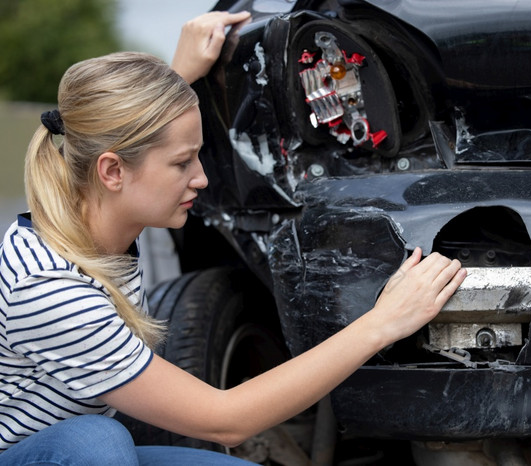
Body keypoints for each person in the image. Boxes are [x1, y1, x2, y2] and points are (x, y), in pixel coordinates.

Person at [0, 10, 467, 466]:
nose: (201, 179)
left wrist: (177, 74)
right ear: (112, 171)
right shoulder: (47, 288)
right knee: (95, 443)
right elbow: (226, 421)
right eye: (183, 164)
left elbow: (134, 134)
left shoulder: (91, 215)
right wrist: (383, 321)